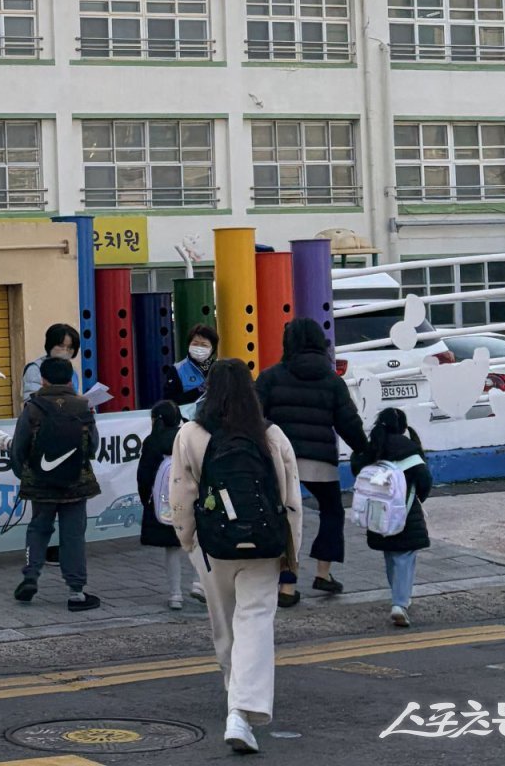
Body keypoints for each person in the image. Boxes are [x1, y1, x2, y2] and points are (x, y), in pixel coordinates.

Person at [169, 358, 302, 755]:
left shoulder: (191, 433)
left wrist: (188, 540)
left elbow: (181, 494)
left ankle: (234, 695)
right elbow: (290, 498)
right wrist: (290, 553)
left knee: (224, 624)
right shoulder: (269, 433)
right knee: (255, 621)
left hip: (214, 546)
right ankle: (241, 711)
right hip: (263, 546)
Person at [255, 317, 368, 608]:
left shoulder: (270, 377)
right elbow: (349, 423)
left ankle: (287, 585)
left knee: (286, 517)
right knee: (331, 511)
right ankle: (323, 572)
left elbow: (253, 417)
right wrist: (366, 452)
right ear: (321, 343)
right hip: (320, 461)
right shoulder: (332, 381)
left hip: (280, 459)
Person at [10, 357, 101, 611]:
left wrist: (26, 476)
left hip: (41, 483)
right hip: (76, 483)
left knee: (38, 530)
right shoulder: (83, 406)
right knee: (73, 535)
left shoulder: (33, 407)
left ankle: (30, 575)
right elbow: (93, 446)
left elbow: (18, 447)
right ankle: (76, 592)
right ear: (70, 379)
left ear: (43, 379)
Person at [351, 408, 431, 628]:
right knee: (405, 556)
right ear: (403, 427)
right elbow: (424, 481)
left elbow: (356, 469)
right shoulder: (411, 449)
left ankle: (398, 597)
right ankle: (400, 603)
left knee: (390, 555)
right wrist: (416, 500)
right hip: (405, 510)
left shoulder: (372, 447)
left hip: (377, 512)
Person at [137, 400, 203, 610]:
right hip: (192, 500)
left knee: (172, 548)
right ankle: (199, 583)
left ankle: (175, 595)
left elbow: (144, 476)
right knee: (198, 543)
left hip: (166, 503)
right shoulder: (189, 438)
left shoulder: (152, 441)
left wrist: (147, 500)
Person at [162, 324, 218, 406]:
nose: (199, 348)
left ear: (212, 349)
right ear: (189, 345)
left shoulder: (220, 368)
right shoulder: (177, 370)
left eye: (204, 345)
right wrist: (198, 391)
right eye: (195, 344)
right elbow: (169, 401)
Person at [21, 323, 80, 399]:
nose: (65, 350)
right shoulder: (35, 369)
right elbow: (31, 400)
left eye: (70, 347)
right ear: (50, 345)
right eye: (61, 346)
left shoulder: (72, 370)